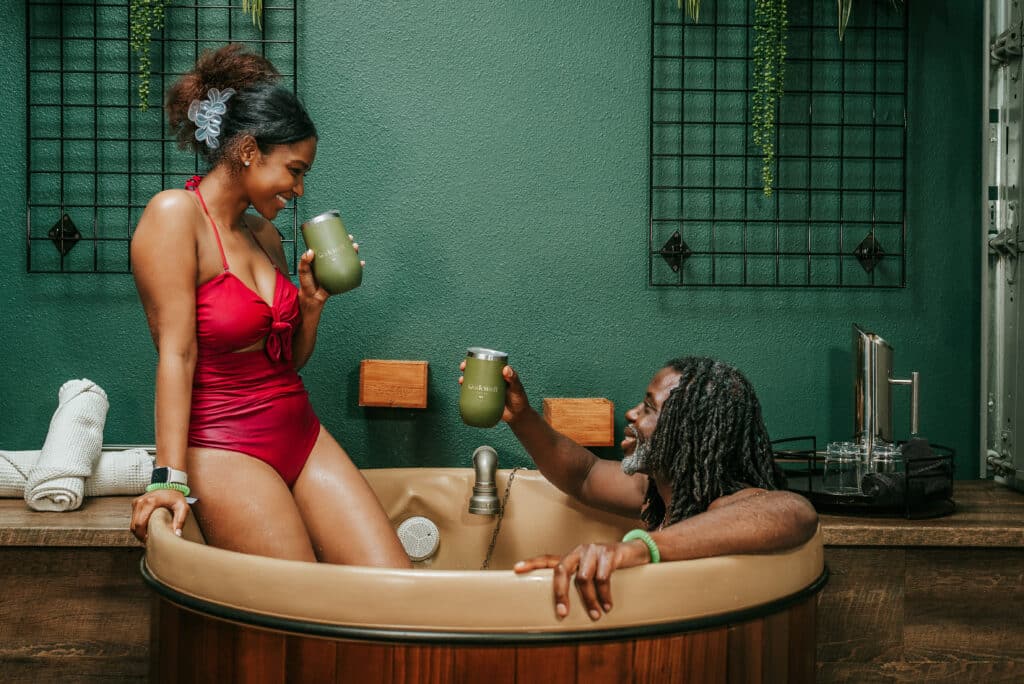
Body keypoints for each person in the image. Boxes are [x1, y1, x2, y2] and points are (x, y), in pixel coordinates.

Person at [128, 44, 410, 569]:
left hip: (299, 432)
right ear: (250, 150)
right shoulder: (174, 216)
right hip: (223, 446)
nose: (299, 190)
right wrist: (168, 479)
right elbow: (177, 356)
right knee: (302, 598)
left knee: (394, 582)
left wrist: (311, 303)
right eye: (295, 171)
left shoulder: (264, 236)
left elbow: (285, 362)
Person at [481, 355, 817, 621]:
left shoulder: (723, 502)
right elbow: (583, 475)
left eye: (649, 408)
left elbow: (793, 511)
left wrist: (643, 547)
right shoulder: (654, 491)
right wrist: (522, 416)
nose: (631, 413)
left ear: (687, 434)